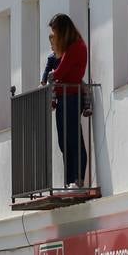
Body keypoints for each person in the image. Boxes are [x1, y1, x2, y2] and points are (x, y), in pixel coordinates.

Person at [44, 13, 90, 188]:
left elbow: (60, 72)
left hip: (71, 96)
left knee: (73, 139)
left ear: (63, 30)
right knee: (64, 142)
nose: (54, 36)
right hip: (64, 97)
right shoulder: (70, 47)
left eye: (55, 31)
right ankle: (70, 179)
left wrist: (51, 76)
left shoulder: (76, 47)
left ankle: (77, 178)